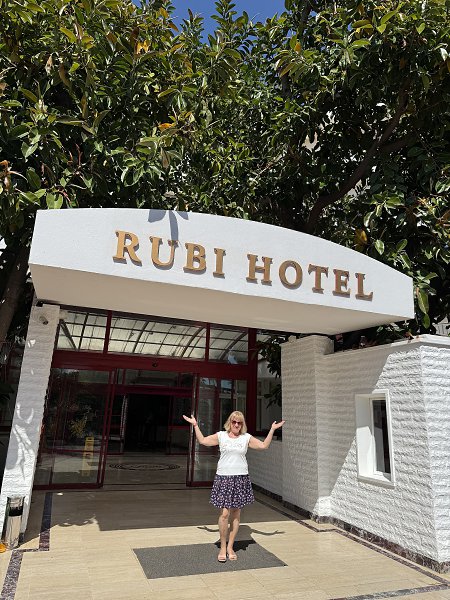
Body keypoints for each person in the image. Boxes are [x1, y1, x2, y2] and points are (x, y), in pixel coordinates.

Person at [182, 411, 285, 563]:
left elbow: (264, 445)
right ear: (229, 423)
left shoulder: (246, 438)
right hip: (224, 478)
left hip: (240, 478)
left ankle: (230, 546)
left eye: (239, 422)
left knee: (236, 513)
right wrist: (195, 425)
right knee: (224, 514)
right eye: (234, 422)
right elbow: (203, 441)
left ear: (242, 425)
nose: (236, 425)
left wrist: (272, 429)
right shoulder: (221, 436)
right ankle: (223, 547)